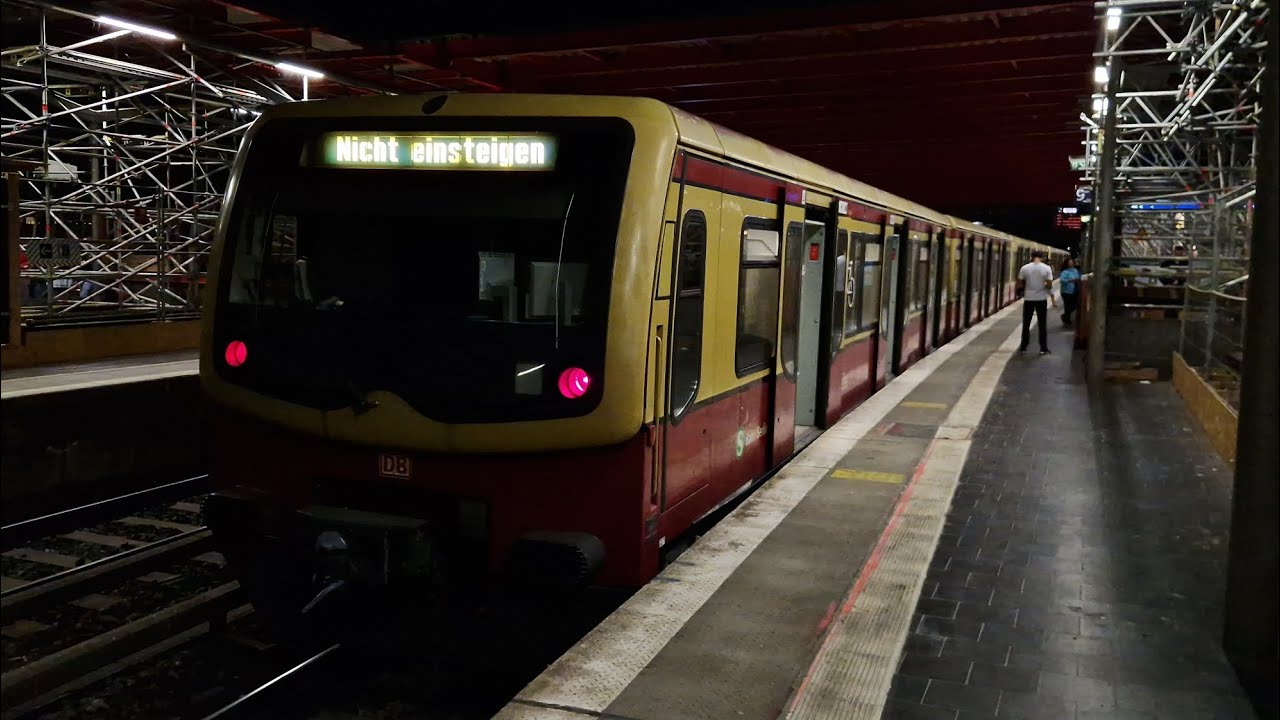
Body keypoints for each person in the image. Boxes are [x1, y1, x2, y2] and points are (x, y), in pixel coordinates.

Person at [1016, 250, 1055, 354]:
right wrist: (1044, 287)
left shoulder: (1024, 268)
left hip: (1028, 299)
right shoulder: (1046, 268)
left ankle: (1023, 347)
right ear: (1042, 257)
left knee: (1026, 323)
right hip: (1041, 299)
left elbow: (1020, 283)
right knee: (1042, 324)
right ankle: (1043, 348)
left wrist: (1023, 291)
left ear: (1031, 257)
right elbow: (1050, 284)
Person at [1058, 257, 1082, 327]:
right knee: (1068, 307)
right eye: (1070, 263)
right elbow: (1062, 280)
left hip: (1074, 291)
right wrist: (1071, 280)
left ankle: (1065, 317)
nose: (1071, 264)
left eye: (1072, 262)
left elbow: (1079, 277)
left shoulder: (1075, 270)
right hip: (1066, 292)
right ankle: (1067, 320)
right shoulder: (1065, 272)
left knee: (1073, 306)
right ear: (1067, 264)